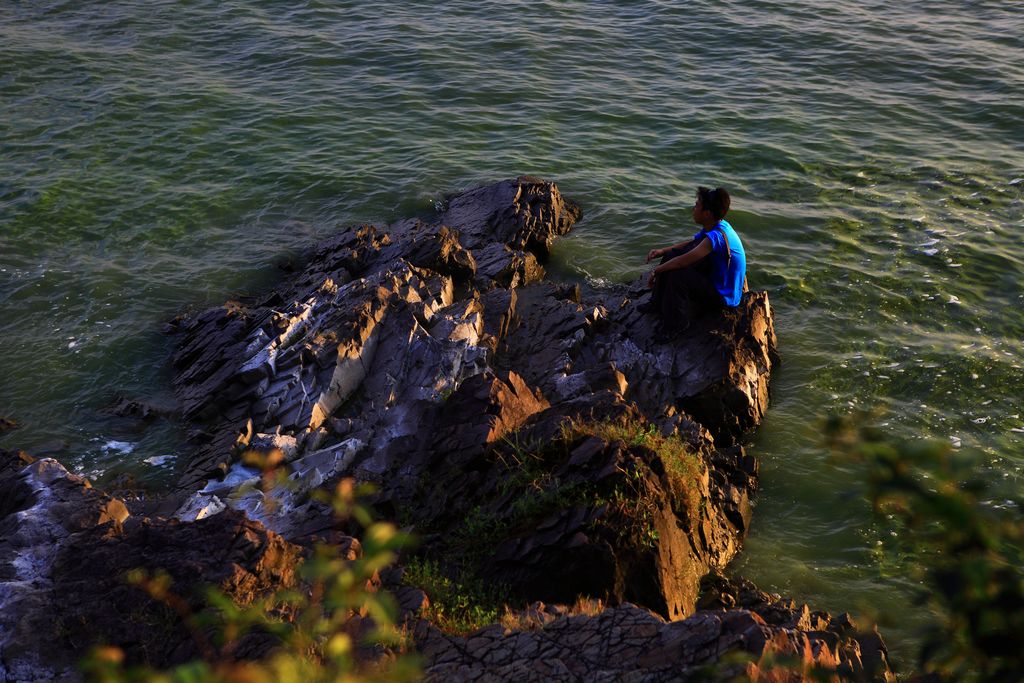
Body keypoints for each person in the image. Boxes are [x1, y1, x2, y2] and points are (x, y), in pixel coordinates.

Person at [642, 186, 746, 329]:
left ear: (707, 214)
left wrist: (656, 271)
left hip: (724, 297)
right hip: (715, 279)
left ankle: (675, 326)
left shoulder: (716, 237)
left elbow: (681, 263)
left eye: (697, 205)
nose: (693, 208)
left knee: (679, 274)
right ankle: (656, 303)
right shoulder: (718, 225)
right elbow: (693, 243)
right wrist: (662, 251)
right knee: (671, 254)